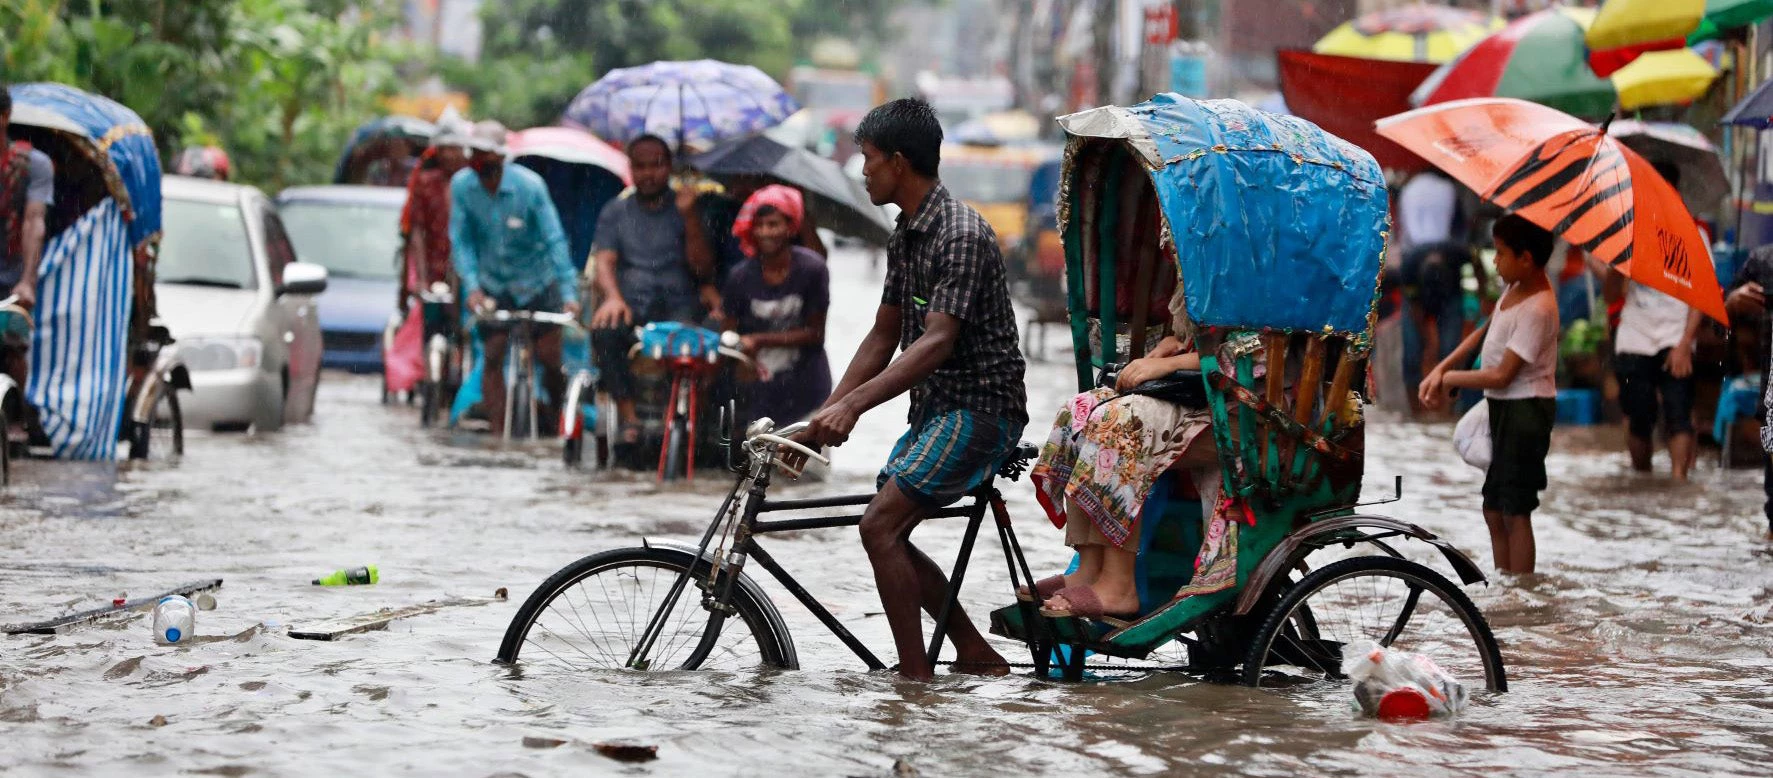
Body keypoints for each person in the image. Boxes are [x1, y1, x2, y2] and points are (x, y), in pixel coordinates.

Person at [795, 98, 1027, 680]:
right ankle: (973, 652)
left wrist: (853, 406)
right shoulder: (906, 234)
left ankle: (913, 677)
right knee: (885, 525)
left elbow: (936, 342)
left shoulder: (962, 234)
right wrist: (820, 417)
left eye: (869, 159)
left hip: (982, 409)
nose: (864, 171)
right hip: (937, 410)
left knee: (879, 524)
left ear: (898, 162)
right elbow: (883, 335)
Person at [1025, 288, 1219, 621]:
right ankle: (1088, 567)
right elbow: (1186, 336)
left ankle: (1119, 586)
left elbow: (1250, 353)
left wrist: (1173, 362)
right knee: (1080, 411)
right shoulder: (1203, 264)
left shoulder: (1253, 267)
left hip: (1236, 405)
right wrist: (1169, 348)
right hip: (1193, 390)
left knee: (1118, 424)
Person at [1420, 214, 1559, 575]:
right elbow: (1485, 331)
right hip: (1502, 408)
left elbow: (1502, 375)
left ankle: (1522, 590)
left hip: (1526, 411)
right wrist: (1442, 366)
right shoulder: (1514, 290)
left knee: (1516, 510)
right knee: (1494, 509)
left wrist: (1451, 377)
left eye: (1499, 253)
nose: (1494, 261)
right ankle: (1505, 585)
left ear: (1525, 258)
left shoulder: (1540, 307)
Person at [449, 120, 579, 438]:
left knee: (549, 357)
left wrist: (568, 291)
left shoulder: (530, 186)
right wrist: (473, 287)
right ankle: (498, 429)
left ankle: (558, 412)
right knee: (492, 354)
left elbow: (554, 239)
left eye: (486, 156)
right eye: (475, 155)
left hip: (537, 282)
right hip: (494, 285)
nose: (480, 163)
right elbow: (462, 241)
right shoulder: (462, 186)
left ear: (501, 157)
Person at [588, 134, 717, 445]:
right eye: (641, 166)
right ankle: (629, 419)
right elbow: (603, 261)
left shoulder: (691, 207)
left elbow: (703, 268)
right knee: (605, 331)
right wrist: (613, 298)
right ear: (631, 168)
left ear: (669, 167)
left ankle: (701, 420)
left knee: (718, 340)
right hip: (633, 306)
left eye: (656, 166)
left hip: (682, 308)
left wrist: (689, 217)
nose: (648, 174)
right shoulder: (615, 211)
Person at [1604, 164, 1705, 482]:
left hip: (1675, 336)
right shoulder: (1629, 234)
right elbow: (1611, 295)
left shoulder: (1693, 235)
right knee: (1638, 416)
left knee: (1678, 414)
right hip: (1635, 338)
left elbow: (1701, 296)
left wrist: (1685, 343)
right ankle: (1642, 479)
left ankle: (1678, 483)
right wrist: (1614, 265)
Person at [719, 185, 832, 427]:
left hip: (807, 386)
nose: (765, 232)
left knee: (807, 463)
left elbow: (816, 334)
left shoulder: (812, 270)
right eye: (759, 225)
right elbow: (728, 334)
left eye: (773, 224)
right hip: (759, 392)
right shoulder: (739, 277)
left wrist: (759, 340)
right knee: (757, 460)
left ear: (790, 228)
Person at [0, 83, 53, 435]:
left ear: (4, 118)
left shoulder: (32, 165)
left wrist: (27, 282)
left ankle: (17, 423)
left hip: (12, 275)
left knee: (12, 344)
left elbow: (35, 221)